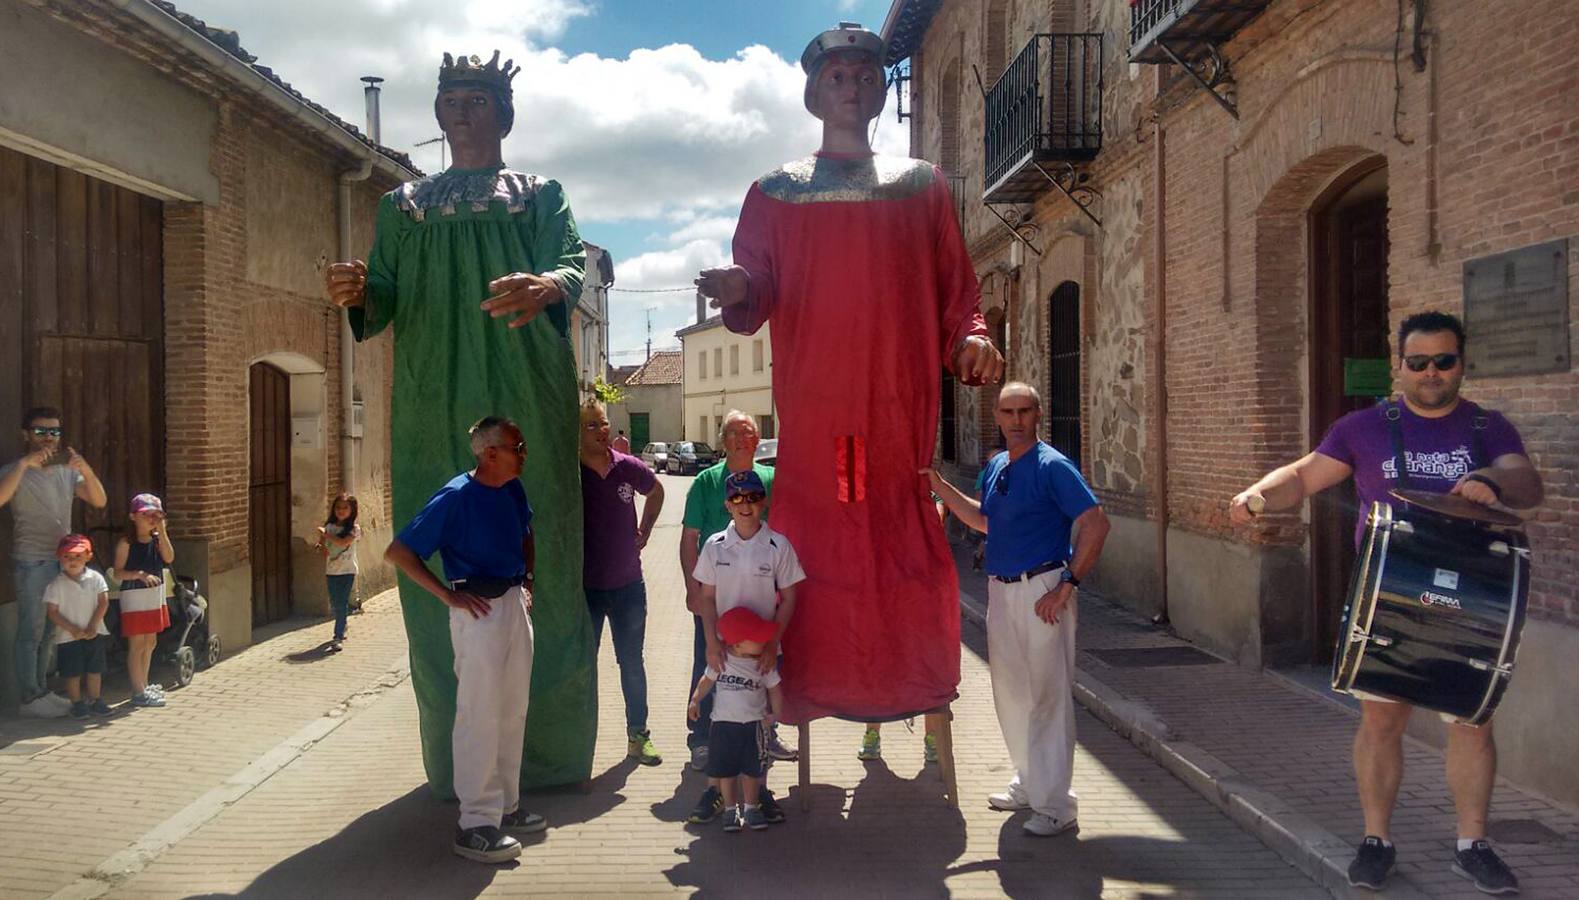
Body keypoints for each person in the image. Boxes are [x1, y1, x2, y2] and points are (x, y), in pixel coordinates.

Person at [694, 22, 1004, 730]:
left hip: (897, 404)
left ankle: (904, 680)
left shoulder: (919, 186)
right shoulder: (774, 192)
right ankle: (803, 686)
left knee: (898, 541)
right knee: (818, 545)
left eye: (866, 76)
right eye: (837, 76)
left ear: (881, 88)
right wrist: (738, 288)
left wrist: (974, 337)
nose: (852, 87)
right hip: (816, 404)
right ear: (813, 91)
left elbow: (958, 290)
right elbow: (758, 283)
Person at [326, 50, 593, 793]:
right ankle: (460, 767)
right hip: (428, 389)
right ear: (439, 114)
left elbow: (570, 262)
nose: (464, 109)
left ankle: (547, 756)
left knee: (547, 558)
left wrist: (548, 283)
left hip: (524, 382)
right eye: (453, 98)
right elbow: (381, 296)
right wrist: (353, 291)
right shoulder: (403, 204)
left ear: (504, 114)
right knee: (438, 556)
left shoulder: (540, 194)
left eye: (478, 97)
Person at [1229, 311, 1542, 895]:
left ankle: (1473, 845)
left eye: (1443, 361)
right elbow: (1302, 477)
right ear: (1399, 365)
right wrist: (1257, 495)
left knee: (1472, 723)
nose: (1430, 373)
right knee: (1380, 720)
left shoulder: (1488, 428)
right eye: (1417, 362)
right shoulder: (1363, 427)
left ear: (1460, 364)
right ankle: (1377, 840)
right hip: (1389, 597)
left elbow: (1527, 483)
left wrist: (1495, 484)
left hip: (1469, 600)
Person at [927, 382, 1110, 838]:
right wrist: (939, 486)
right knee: (1011, 694)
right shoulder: (995, 466)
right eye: (1007, 411)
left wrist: (1067, 584)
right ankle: (1030, 784)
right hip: (1001, 590)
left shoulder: (1053, 466)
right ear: (997, 416)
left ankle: (1056, 804)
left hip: (1043, 588)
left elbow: (1095, 522)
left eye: (1024, 411)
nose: (1015, 419)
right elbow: (985, 520)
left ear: (1038, 414)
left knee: (1047, 696)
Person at [383, 416, 546, 864]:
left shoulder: (512, 489)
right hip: (478, 614)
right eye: (518, 445)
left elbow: (526, 532)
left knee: (513, 709)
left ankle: (506, 808)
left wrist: (528, 580)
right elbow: (400, 552)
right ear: (490, 453)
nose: (524, 453)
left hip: (513, 604)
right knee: (480, 714)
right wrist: (447, 597)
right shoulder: (455, 497)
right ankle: (474, 823)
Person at [688, 469, 805, 827]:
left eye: (753, 497)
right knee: (719, 722)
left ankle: (760, 794)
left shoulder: (778, 546)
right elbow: (706, 597)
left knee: (760, 727)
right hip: (721, 651)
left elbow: (788, 598)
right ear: (727, 504)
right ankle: (715, 792)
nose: (745, 505)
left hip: (762, 652)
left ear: (763, 502)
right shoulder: (714, 545)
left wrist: (772, 643)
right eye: (737, 499)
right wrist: (709, 641)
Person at [0, 407, 107, 717]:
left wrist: (85, 469)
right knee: (30, 631)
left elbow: (99, 500)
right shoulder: (13, 469)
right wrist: (23, 465)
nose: (48, 437)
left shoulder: (66, 472)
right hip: (31, 562)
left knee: (49, 632)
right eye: (41, 431)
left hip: (62, 563)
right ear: (25, 434)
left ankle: (43, 690)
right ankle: (29, 697)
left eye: (54, 431)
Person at [578, 399, 665, 765]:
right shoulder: (571, 474)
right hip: (587, 590)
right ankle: (579, 746)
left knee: (631, 661)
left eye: (604, 424)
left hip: (629, 585)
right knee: (583, 666)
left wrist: (644, 530)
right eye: (592, 426)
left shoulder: (627, 467)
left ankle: (638, 735)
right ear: (578, 432)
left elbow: (657, 490)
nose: (602, 431)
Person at [688, 606, 784, 833]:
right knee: (726, 772)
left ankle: (751, 807)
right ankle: (731, 810)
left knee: (753, 772)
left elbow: (775, 690)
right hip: (722, 725)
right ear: (737, 644)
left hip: (754, 726)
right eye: (757, 639)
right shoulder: (722, 660)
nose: (763, 642)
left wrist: (776, 713)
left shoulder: (764, 664)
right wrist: (695, 700)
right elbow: (706, 680)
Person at [111, 493, 174, 709]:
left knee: (150, 642)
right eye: (146, 514)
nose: (151, 519)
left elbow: (169, 558)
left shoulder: (157, 540)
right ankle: (137, 691)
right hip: (135, 598)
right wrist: (138, 575)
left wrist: (163, 532)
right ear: (133, 517)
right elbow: (117, 573)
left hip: (154, 597)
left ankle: (144, 684)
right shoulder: (126, 543)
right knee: (137, 645)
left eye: (155, 515)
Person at [43, 534, 112, 719]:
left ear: (88, 556)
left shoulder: (95, 578)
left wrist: (92, 626)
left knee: (94, 669)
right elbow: (53, 611)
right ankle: (77, 703)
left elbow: (103, 602)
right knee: (72, 672)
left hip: (94, 632)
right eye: (67, 556)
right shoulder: (56, 584)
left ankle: (95, 699)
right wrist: (73, 629)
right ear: (59, 557)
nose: (72, 561)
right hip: (68, 637)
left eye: (78, 556)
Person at [317, 493, 362, 649]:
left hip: (347, 570)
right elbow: (324, 549)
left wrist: (326, 535)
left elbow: (343, 543)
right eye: (338, 508)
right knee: (336, 603)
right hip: (331, 570)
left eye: (345, 508)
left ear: (352, 510)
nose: (341, 511)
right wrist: (321, 545)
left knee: (342, 602)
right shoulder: (329, 527)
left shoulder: (354, 529)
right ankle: (342, 625)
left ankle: (338, 636)